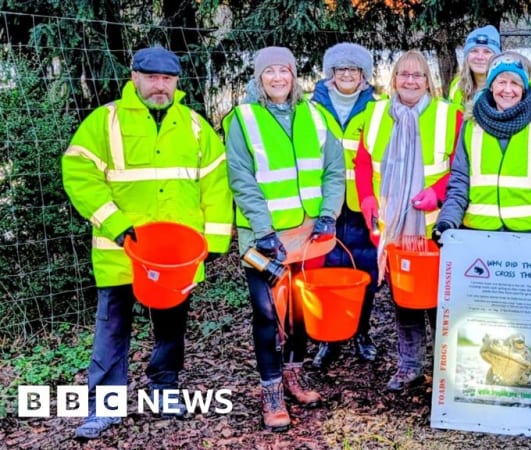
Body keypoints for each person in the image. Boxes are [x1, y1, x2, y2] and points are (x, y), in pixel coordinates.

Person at [62, 46, 233, 440]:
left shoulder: (194, 126)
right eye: (152, 77)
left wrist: (216, 240)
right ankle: (105, 405)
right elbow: (79, 174)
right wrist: (117, 226)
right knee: (112, 327)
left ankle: (164, 389)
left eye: (168, 79)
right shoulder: (104, 122)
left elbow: (216, 184)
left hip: (177, 256)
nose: (160, 86)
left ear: (177, 82)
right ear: (134, 76)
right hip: (121, 251)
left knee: (171, 325)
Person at [223, 46, 345, 432]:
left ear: (294, 76)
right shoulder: (242, 119)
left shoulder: (316, 115)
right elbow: (241, 179)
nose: (278, 78)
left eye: (285, 71)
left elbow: (334, 170)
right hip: (263, 237)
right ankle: (271, 389)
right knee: (267, 312)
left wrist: (329, 213)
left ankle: (293, 373)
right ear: (258, 78)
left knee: (299, 309)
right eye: (269, 72)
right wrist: (263, 230)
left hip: (308, 234)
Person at [354, 50, 462, 391]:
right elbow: (361, 163)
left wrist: (438, 192)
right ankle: (410, 366)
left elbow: (463, 168)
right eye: (404, 75)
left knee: (441, 298)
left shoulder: (448, 115)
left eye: (418, 75)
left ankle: (447, 368)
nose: (411, 81)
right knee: (406, 297)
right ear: (394, 80)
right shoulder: (375, 115)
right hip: (394, 225)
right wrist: (367, 199)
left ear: (427, 81)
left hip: (434, 225)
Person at [435, 51, 531, 252]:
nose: (507, 90)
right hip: (480, 234)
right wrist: (447, 222)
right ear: (491, 85)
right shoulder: (472, 124)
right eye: (501, 82)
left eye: (515, 83)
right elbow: (460, 181)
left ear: (524, 87)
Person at [308, 42, 381, 369]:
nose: (347, 74)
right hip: (326, 205)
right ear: (330, 74)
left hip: (366, 203)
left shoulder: (379, 109)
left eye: (354, 69)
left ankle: (361, 332)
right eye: (340, 69)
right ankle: (329, 338)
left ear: (364, 76)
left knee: (365, 268)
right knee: (328, 271)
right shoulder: (310, 109)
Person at [448, 25, 501, 108]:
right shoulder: (457, 86)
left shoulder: (507, 88)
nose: (480, 57)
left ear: (496, 57)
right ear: (467, 56)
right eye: (474, 51)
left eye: (487, 52)